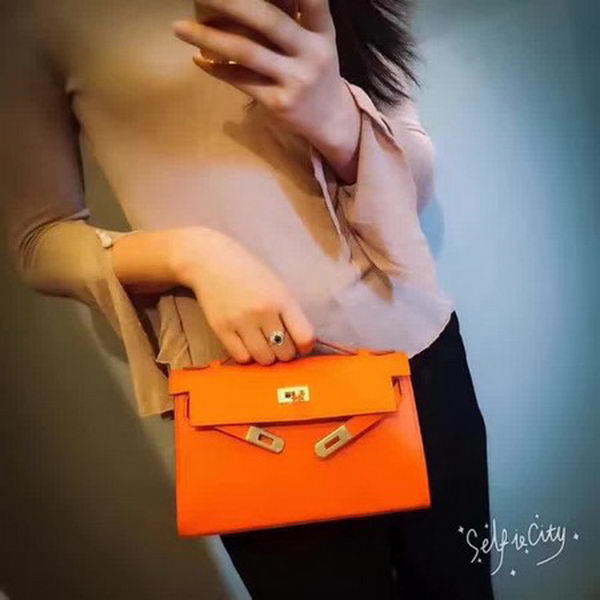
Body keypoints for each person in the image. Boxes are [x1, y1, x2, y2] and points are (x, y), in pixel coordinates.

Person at [0, 0, 495, 597]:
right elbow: (39, 239)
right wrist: (191, 255)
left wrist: (336, 117)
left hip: (419, 365)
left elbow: (414, 180)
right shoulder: (34, 16)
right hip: (249, 415)